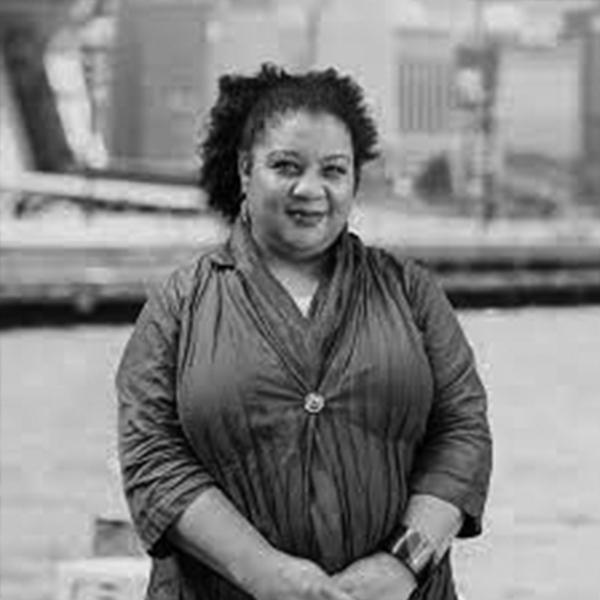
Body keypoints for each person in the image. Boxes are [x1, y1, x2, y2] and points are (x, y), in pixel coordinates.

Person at [116, 63, 492, 600]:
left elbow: (462, 435)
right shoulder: (181, 304)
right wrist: (262, 572)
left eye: (333, 171)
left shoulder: (411, 294)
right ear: (245, 170)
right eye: (286, 166)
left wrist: (401, 565)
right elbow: (151, 456)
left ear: (354, 180)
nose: (310, 189)